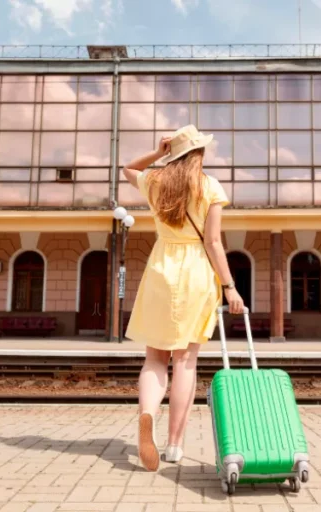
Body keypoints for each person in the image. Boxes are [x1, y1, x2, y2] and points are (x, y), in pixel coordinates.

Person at [121, 125, 245, 472]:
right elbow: (213, 242)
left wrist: (157, 154)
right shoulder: (210, 187)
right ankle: (175, 444)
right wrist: (230, 286)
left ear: (172, 152)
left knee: (154, 359)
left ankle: (147, 418)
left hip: (161, 268)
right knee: (185, 362)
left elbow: (128, 169)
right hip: (194, 274)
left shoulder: (156, 181)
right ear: (199, 153)